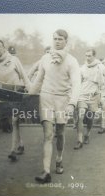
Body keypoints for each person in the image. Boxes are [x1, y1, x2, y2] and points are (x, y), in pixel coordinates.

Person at [28, 29, 81, 183]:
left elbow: (77, 84)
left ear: (66, 41)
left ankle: (59, 159)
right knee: (48, 135)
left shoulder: (72, 61)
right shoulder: (45, 58)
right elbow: (38, 80)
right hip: (46, 98)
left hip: (63, 100)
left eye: (60, 39)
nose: (57, 41)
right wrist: (29, 96)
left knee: (60, 132)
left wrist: (72, 103)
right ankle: (45, 171)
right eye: (55, 39)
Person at [0, 39, 30, 161]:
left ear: (4, 48)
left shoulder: (14, 60)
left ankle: (13, 150)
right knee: (13, 122)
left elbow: (24, 76)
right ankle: (20, 144)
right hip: (4, 95)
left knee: (15, 121)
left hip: (16, 93)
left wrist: (31, 92)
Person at [74, 49, 105, 149]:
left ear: (94, 56)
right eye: (86, 56)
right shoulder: (82, 68)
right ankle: (79, 140)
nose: (87, 58)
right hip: (82, 95)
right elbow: (77, 82)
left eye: (89, 56)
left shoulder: (100, 67)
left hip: (94, 96)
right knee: (80, 116)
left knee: (90, 118)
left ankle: (87, 134)